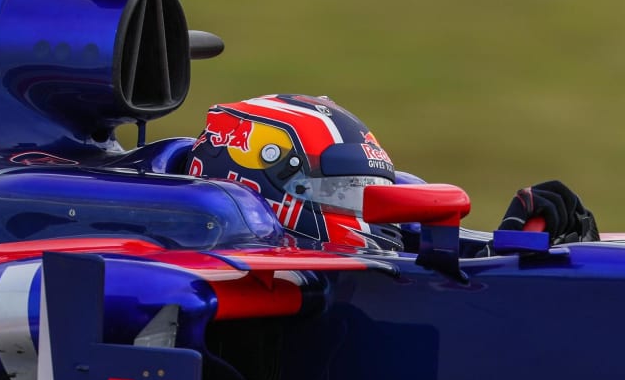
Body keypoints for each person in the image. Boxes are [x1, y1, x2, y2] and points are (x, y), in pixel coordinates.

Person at [181, 93, 598, 250]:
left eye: (371, 187)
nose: (367, 207)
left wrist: (509, 250)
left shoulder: (395, 231)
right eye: (345, 190)